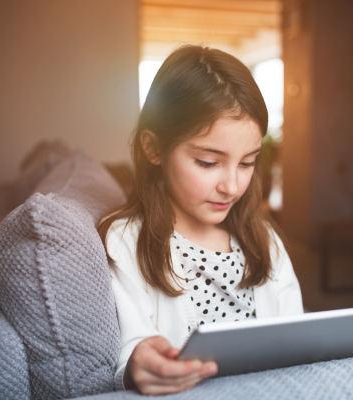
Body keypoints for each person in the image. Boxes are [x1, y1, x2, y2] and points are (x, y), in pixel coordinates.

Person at [98, 45, 303, 396]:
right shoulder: (125, 241)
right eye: (208, 162)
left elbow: (297, 330)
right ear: (153, 148)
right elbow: (134, 343)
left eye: (248, 162)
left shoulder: (262, 236)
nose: (232, 186)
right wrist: (139, 364)